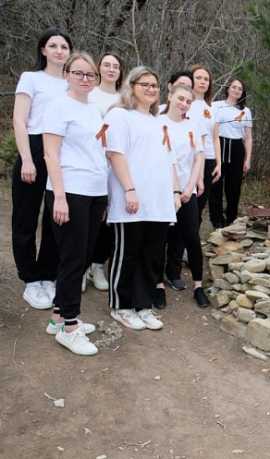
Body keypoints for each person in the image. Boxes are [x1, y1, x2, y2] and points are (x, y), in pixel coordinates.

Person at [104, 66, 182, 331]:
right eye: (144, 84)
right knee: (127, 254)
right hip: (132, 199)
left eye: (154, 85)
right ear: (131, 87)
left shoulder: (159, 121)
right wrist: (129, 189)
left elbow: (170, 160)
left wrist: (174, 191)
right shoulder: (120, 115)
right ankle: (121, 306)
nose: (151, 89)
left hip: (158, 202)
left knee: (152, 256)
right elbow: (115, 154)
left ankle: (143, 305)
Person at [42, 52, 107, 355]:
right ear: (67, 74)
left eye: (90, 74)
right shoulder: (58, 106)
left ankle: (58, 317)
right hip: (70, 192)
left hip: (95, 192)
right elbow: (51, 154)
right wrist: (59, 196)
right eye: (78, 73)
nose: (85, 78)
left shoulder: (94, 109)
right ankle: (70, 327)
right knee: (73, 259)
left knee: (82, 257)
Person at [12, 28, 72, 310]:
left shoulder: (72, 84)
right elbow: (19, 120)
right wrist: (27, 158)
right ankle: (30, 278)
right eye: (53, 45)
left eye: (64, 46)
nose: (59, 50)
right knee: (25, 217)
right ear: (43, 50)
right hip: (34, 148)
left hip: (61, 152)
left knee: (55, 218)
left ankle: (48, 273)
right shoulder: (31, 78)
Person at [154, 84, 210, 308]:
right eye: (180, 98)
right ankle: (158, 285)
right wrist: (174, 190)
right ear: (169, 96)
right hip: (162, 191)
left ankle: (198, 286)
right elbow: (161, 158)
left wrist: (189, 188)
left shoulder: (192, 125)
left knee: (192, 238)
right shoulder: (157, 122)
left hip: (188, 191)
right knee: (160, 239)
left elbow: (198, 157)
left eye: (188, 101)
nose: (184, 104)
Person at [84, 52, 124, 293]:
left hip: (115, 165)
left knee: (109, 217)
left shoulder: (124, 98)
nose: (111, 69)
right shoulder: (89, 94)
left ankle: (98, 264)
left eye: (115, 66)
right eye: (107, 65)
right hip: (90, 162)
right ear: (99, 68)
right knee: (89, 217)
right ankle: (82, 266)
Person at [211, 78, 253, 226]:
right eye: (234, 87)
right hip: (219, 145)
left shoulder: (245, 111)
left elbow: (248, 137)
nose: (236, 90)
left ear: (243, 92)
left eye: (240, 88)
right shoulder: (216, 106)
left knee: (234, 188)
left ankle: (231, 221)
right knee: (215, 186)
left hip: (237, 149)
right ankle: (217, 222)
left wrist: (247, 159)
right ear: (228, 89)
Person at [190, 65, 222, 230]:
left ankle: (193, 239)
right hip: (188, 161)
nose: (202, 82)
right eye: (198, 78)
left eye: (206, 79)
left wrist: (219, 163)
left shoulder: (212, 108)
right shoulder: (184, 104)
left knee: (200, 205)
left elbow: (215, 138)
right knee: (187, 205)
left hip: (208, 160)